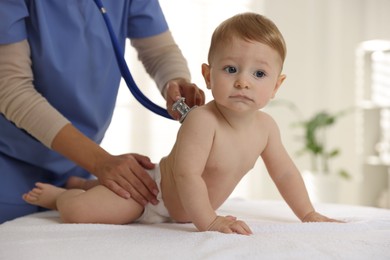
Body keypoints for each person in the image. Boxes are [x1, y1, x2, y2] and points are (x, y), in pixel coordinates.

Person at [23, 12, 341, 234]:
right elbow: (187, 174)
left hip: (179, 208)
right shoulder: (203, 121)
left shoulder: (266, 128)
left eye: (259, 74)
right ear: (207, 76)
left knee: (100, 200)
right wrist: (209, 221)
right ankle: (61, 196)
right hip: (151, 196)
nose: (243, 81)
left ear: (276, 86)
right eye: (231, 69)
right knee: (82, 213)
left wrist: (308, 213)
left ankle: (87, 185)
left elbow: (284, 172)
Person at [0, 0, 205, 224]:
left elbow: (160, 51)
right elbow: (11, 88)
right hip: (12, 161)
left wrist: (175, 82)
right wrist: (99, 161)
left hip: (78, 166)